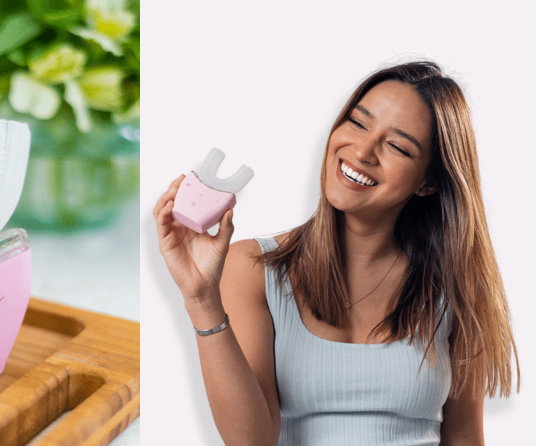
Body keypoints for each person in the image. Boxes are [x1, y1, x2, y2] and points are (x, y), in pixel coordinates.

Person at [153, 61, 520, 445]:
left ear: (428, 182)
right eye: (358, 123)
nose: (362, 151)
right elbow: (251, 441)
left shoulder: (456, 285)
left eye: (396, 146)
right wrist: (200, 299)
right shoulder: (254, 268)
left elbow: (464, 437)